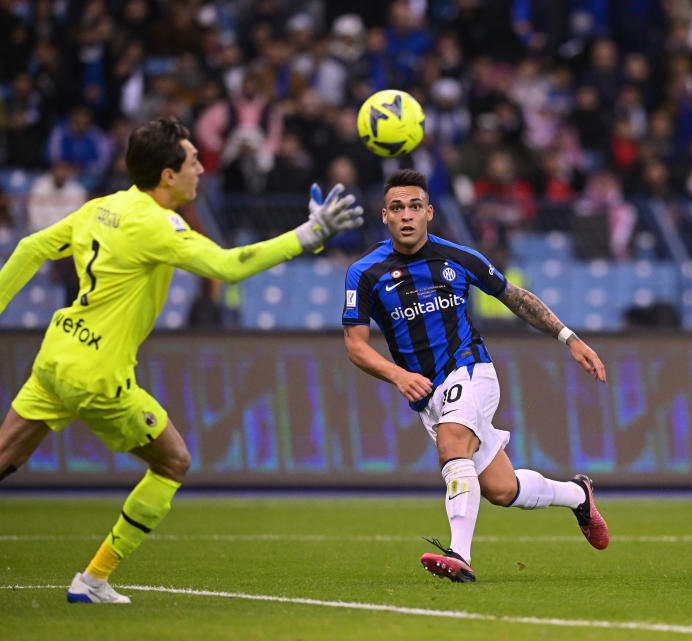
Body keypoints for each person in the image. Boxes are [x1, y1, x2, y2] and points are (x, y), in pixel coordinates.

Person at [0, 117, 363, 603]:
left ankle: (94, 582)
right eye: (193, 161)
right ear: (168, 175)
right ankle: (93, 579)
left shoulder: (101, 207)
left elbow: (30, 246)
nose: (200, 168)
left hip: (55, 356)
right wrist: (307, 234)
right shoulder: (158, 224)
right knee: (173, 461)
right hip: (99, 376)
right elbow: (227, 267)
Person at [342, 169, 609, 583]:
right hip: (426, 392)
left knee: (452, 445)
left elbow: (515, 298)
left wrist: (569, 337)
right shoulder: (365, 273)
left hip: (471, 369)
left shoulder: (458, 257)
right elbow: (356, 345)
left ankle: (459, 556)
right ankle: (578, 495)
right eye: (398, 208)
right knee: (502, 489)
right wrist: (397, 376)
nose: (407, 215)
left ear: (429, 212)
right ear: (385, 217)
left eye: (415, 206)